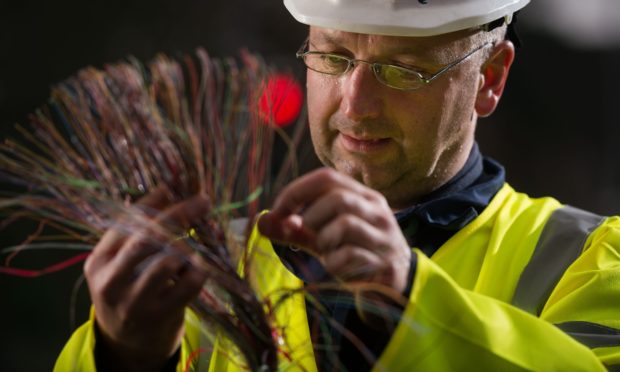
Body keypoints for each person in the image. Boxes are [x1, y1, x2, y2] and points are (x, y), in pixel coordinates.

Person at [56, 0, 620, 370]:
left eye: (402, 68)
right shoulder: (201, 274)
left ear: (489, 78)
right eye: (333, 56)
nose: (355, 103)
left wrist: (410, 301)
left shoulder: (590, 260)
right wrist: (123, 354)